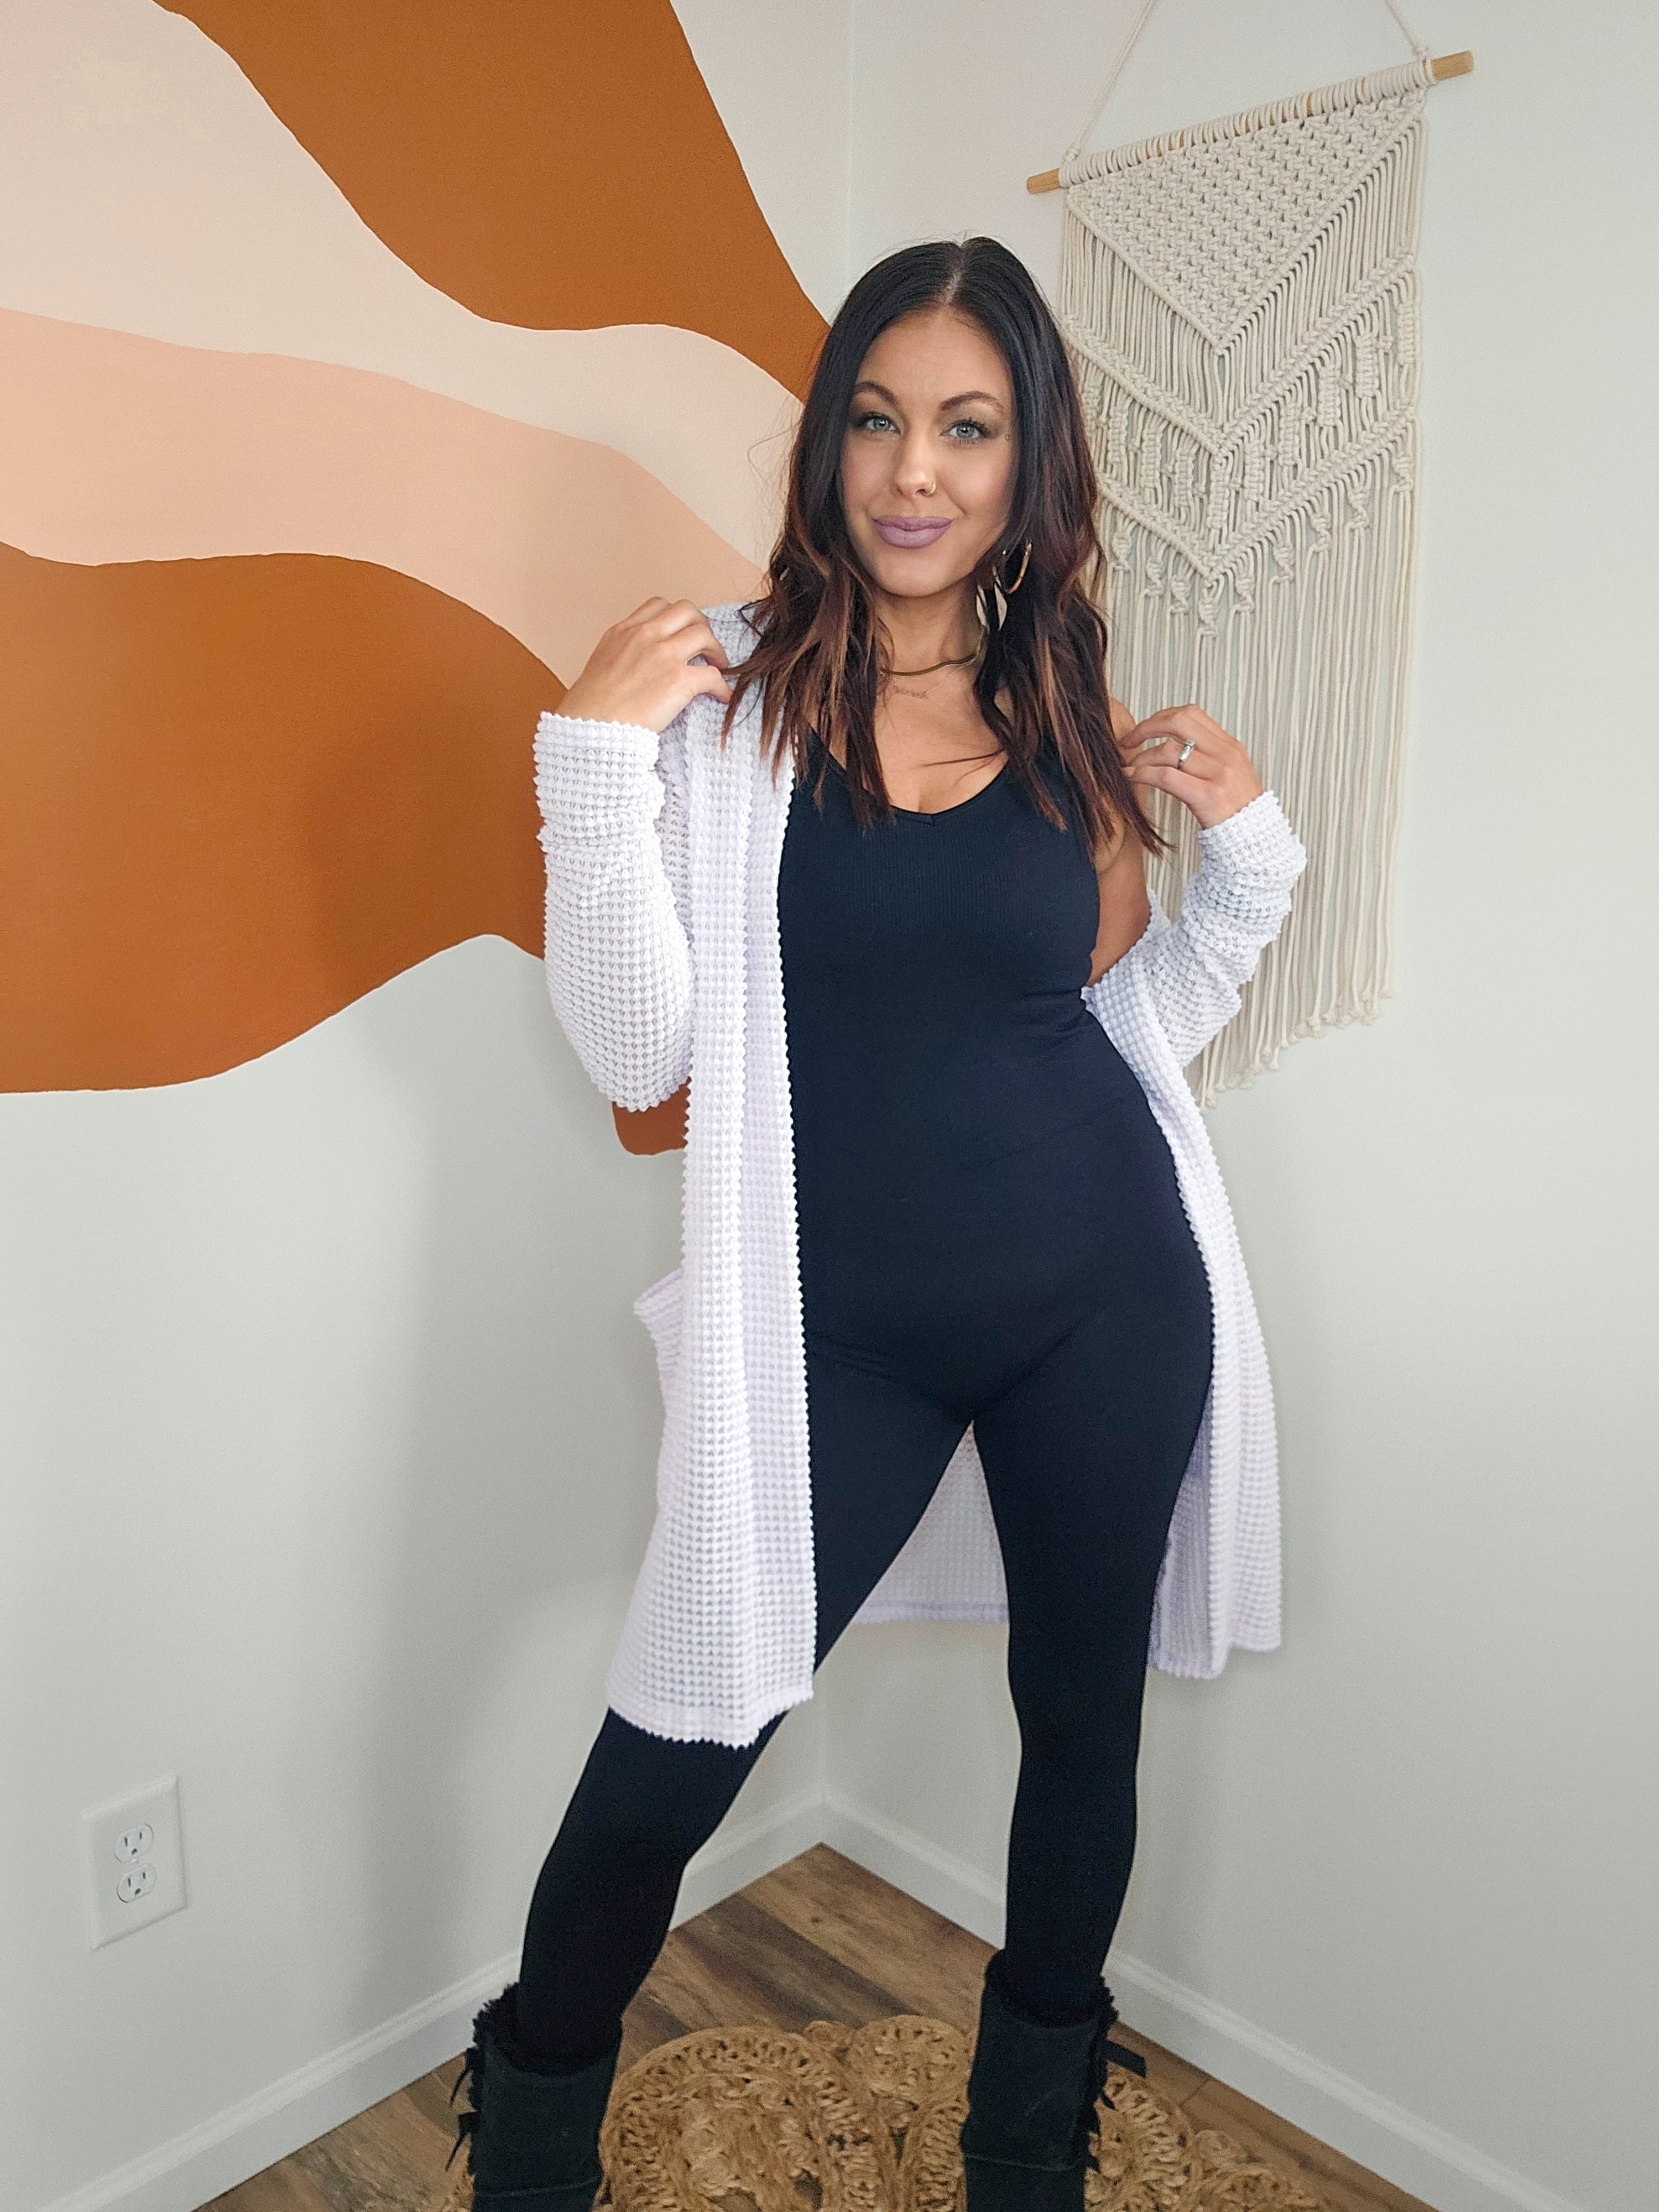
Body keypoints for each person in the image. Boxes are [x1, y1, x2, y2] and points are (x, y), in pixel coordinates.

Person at [445, 236, 1306, 2212]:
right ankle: (533, 2149)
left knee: (1079, 1730)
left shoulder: (1059, 700)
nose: (917, 470)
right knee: (673, 1745)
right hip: (839, 1334)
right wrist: (588, 760)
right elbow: (642, 1051)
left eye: (969, 427)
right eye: (879, 419)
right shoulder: (719, 699)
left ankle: (1025, 2156)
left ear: (1028, 462)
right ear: (830, 443)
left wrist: (1250, 863)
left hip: (1107, 1298)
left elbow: (1113, 1020)